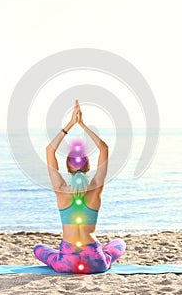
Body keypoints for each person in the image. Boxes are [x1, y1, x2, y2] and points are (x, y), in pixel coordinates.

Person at [33, 100, 126, 273]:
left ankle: (68, 258)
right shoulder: (96, 188)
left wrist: (70, 124)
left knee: (38, 249)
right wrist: (82, 125)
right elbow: (104, 148)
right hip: (95, 261)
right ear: (88, 166)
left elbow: (49, 150)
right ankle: (105, 257)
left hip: (66, 262)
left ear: (67, 168)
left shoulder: (61, 189)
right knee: (120, 243)